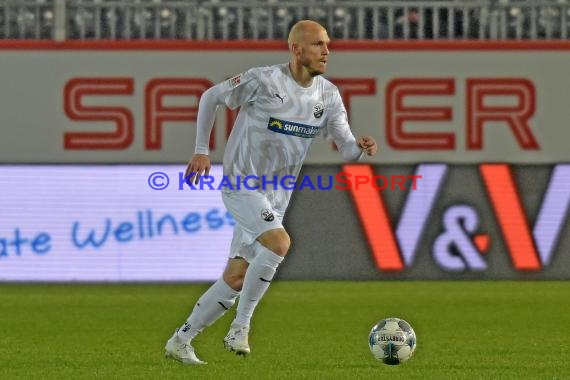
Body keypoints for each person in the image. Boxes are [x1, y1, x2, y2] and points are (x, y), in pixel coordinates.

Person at [165, 19, 378, 365]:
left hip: (277, 196)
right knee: (280, 243)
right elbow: (211, 97)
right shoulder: (264, 80)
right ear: (296, 49)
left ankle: (181, 339)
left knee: (235, 278)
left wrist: (360, 148)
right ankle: (240, 326)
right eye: (318, 44)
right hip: (242, 183)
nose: (327, 51)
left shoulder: (328, 95)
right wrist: (201, 150)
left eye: (327, 44)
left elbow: (347, 148)